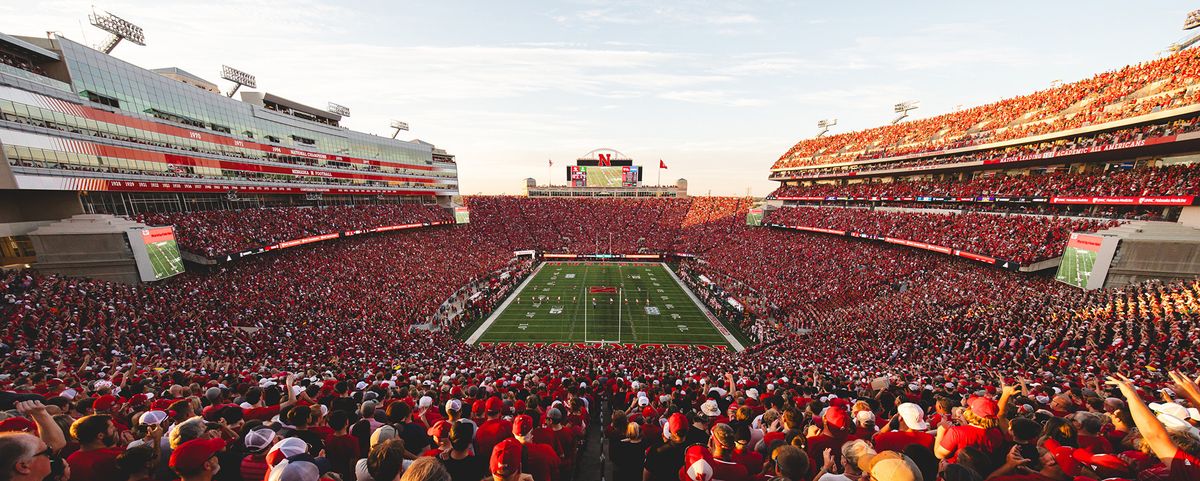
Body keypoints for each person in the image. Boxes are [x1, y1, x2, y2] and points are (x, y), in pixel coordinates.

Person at [66, 414, 125, 481]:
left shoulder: (71, 459)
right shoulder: (114, 457)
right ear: (100, 435)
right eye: (112, 427)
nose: (115, 429)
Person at [510, 415, 558, 481]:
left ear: (513, 432)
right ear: (531, 432)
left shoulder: (505, 452)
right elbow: (556, 468)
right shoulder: (546, 450)